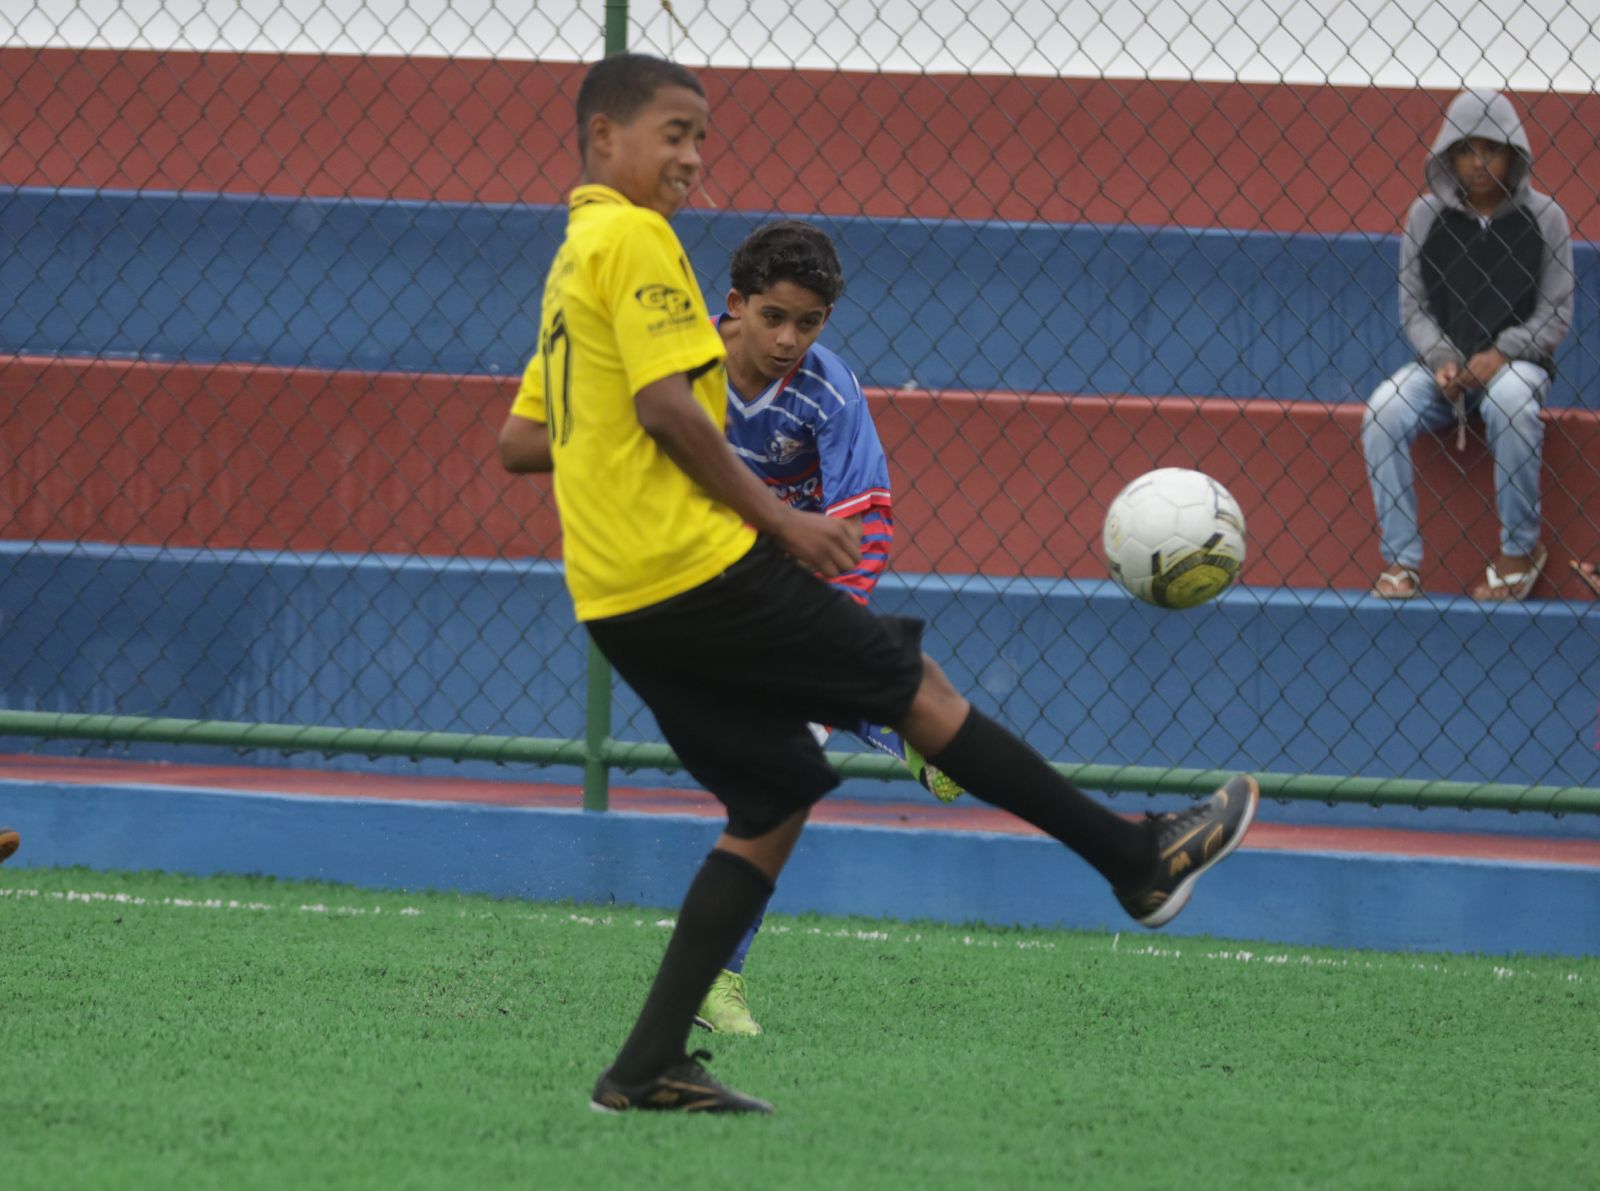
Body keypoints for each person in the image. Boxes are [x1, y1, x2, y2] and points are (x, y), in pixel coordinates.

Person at [498, 52, 1258, 1116]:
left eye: (699, 136)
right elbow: (670, 410)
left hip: (617, 597)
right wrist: (779, 519)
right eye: (671, 132)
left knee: (770, 799)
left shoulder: (574, 255)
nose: (690, 156)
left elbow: (524, 438)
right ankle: (1134, 857)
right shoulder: (634, 239)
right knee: (919, 691)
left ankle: (644, 1068)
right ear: (602, 141)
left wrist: (633, 452)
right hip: (697, 571)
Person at [503, 219, 965, 1036]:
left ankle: (719, 981)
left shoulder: (830, 391)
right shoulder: (678, 369)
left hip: (787, 587)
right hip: (685, 575)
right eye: (774, 317)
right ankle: (892, 719)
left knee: (776, 780)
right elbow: (550, 441)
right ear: (734, 307)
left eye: (810, 323)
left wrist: (830, 627)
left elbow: (867, 515)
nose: (790, 339)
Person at [1363, 89, 1574, 601]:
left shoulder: (1546, 218)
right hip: (1445, 368)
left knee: (1508, 403)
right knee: (1382, 412)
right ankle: (1402, 561)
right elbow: (1413, 307)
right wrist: (1442, 360)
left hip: (1517, 366)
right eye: (1465, 150)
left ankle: (1519, 552)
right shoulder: (1425, 217)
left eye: (1492, 148)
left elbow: (1555, 312)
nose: (1479, 163)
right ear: (1447, 156)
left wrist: (1503, 353)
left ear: (1514, 153)